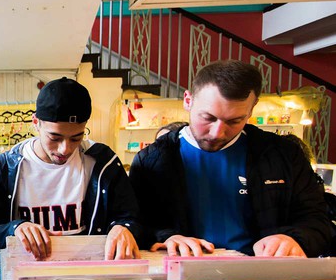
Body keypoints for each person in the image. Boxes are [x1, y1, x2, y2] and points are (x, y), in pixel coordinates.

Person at [129, 59, 330, 258]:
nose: (217, 133)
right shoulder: (151, 161)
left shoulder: (284, 154)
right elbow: (134, 223)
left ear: (252, 109)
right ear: (188, 101)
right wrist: (166, 237)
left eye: (234, 121)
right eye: (207, 118)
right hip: (184, 275)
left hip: (262, 274)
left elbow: (317, 220)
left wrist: (294, 239)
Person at [0, 77, 142, 261]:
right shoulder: (5, 166)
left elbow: (131, 216)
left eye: (76, 138)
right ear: (36, 122)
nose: (65, 149)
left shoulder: (103, 162)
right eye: (55, 138)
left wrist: (123, 227)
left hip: (86, 278)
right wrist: (15, 228)